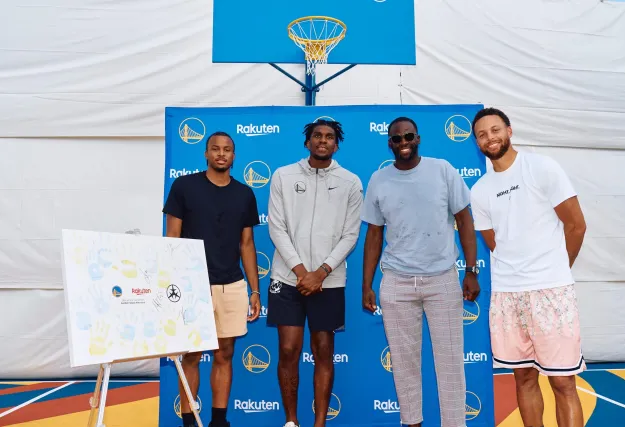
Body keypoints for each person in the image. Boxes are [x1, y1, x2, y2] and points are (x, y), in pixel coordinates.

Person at [469, 107, 587, 427]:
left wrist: (558, 270)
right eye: (482, 134)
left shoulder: (542, 168)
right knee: (523, 378)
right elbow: (495, 243)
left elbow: (576, 225)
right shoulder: (479, 190)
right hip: (508, 295)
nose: (489, 138)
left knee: (563, 382)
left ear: (509, 131)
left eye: (495, 130)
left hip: (551, 291)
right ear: (477, 142)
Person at [361, 117, 481, 427]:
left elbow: (465, 220)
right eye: (397, 138)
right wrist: (367, 284)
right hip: (396, 284)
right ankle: (411, 422)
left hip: (442, 280)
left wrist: (471, 270)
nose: (403, 142)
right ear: (389, 143)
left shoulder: (442, 170)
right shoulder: (379, 180)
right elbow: (373, 234)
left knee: (451, 363)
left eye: (408, 136)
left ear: (418, 139)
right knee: (403, 364)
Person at [267, 119, 363, 427]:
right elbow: (276, 228)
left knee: (323, 351)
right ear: (307, 142)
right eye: (317, 136)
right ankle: (291, 421)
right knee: (287, 349)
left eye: (330, 137)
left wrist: (320, 273)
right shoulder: (283, 176)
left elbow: (350, 235)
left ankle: (319, 423)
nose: (323, 140)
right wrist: (300, 271)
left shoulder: (351, 182)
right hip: (286, 278)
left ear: (337, 144)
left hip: (329, 281)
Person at [163, 131, 262, 427]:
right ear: (206, 154)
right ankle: (190, 422)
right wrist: (175, 286)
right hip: (192, 286)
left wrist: (255, 290)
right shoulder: (184, 186)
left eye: (227, 150)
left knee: (225, 353)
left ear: (234, 156)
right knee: (191, 355)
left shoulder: (245, 194)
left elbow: (247, 244)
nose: (221, 154)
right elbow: (172, 238)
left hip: (231, 284)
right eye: (215, 149)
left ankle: (220, 421)